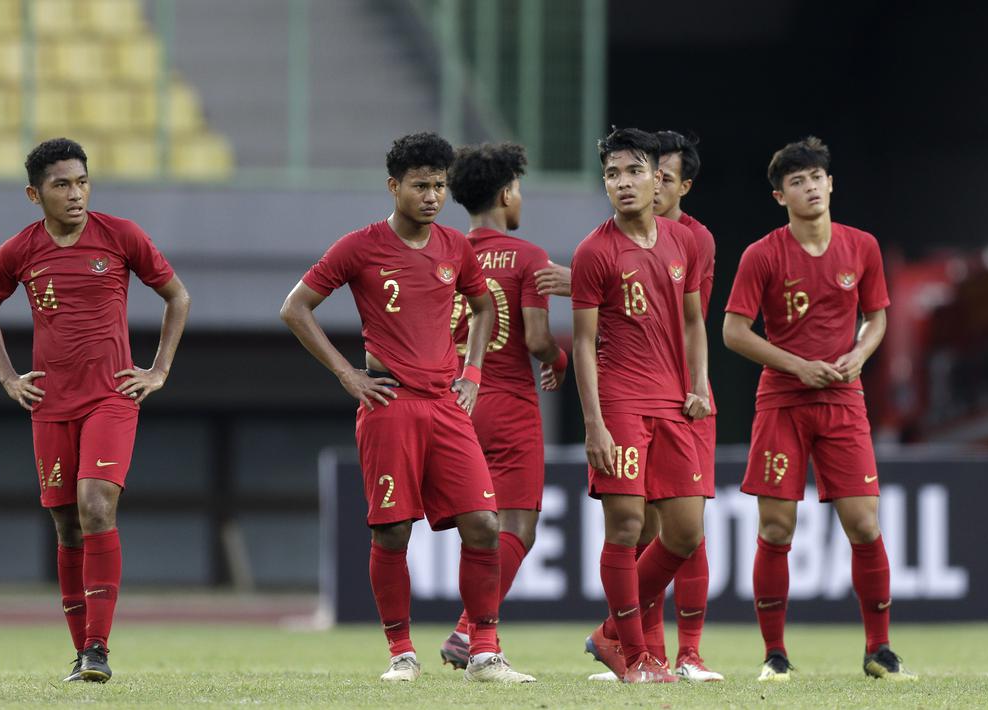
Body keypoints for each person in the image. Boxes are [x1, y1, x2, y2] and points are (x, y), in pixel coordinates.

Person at [279, 132, 533, 683]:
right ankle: (401, 653)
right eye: (420, 186)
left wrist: (472, 373)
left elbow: (483, 307)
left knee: (484, 524)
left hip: (446, 404)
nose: (432, 196)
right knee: (393, 533)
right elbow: (295, 308)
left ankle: (484, 652)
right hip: (390, 403)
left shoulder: (455, 246)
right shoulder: (359, 246)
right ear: (394, 186)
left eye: (439, 185)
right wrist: (347, 374)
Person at [0, 138, 191, 683]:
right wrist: (7, 376)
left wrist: (158, 370)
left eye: (82, 182)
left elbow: (178, 296)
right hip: (51, 404)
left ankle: (98, 648)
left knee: (95, 505)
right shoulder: (18, 252)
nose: (76, 194)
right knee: (66, 524)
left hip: (110, 397)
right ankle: (83, 655)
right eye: (61, 185)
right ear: (35, 194)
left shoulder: (120, 235)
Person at [723, 136, 914, 681]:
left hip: (843, 400)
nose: (810, 188)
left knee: (864, 524)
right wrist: (797, 366)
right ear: (779, 196)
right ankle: (775, 655)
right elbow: (734, 332)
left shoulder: (862, 247)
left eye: (816, 178)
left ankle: (879, 650)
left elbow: (877, 317)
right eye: (797, 181)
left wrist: (860, 353)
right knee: (777, 529)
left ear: (831, 184)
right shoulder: (762, 254)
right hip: (783, 402)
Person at [572, 130, 721, 682]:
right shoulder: (593, 251)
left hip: (675, 403)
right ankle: (635, 655)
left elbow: (693, 321)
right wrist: (595, 424)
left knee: (684, 533)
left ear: (657, 178)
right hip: (621, 404)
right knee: (628, 524)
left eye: (633, 171)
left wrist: (699, 384)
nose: (623, 183)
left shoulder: (683, 241)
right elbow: (583, 342)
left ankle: (609, 633)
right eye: (612, 174)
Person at [436, 142, 568, 669]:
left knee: (476, 528)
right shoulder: (528, 256)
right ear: (508, 192)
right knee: (517, 527)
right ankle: (469, 631)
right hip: (509, 403)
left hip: (454, 403)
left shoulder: (444, 251)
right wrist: (559, 359)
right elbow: (536, 338)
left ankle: (461, 633)